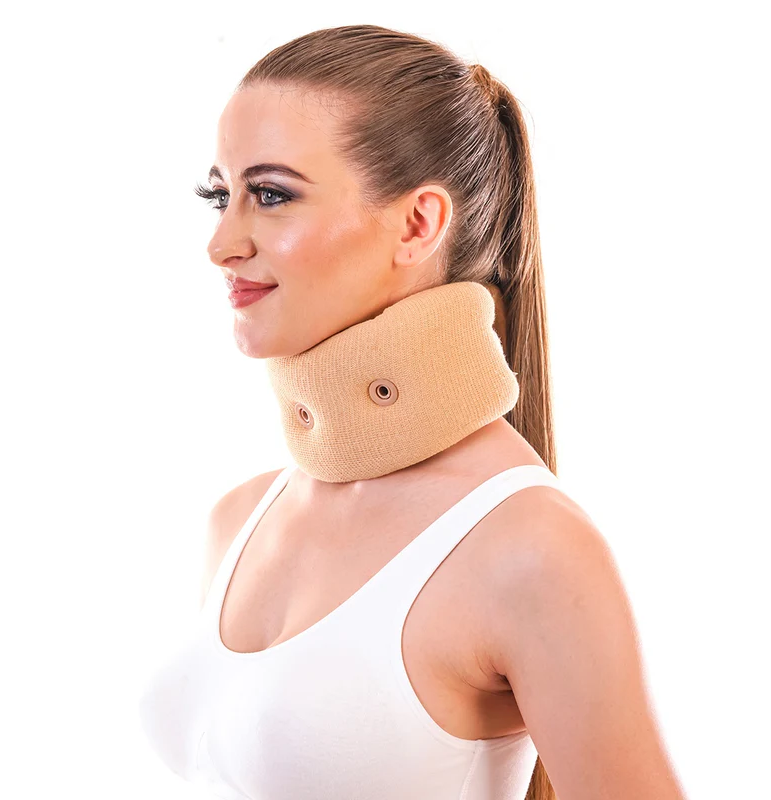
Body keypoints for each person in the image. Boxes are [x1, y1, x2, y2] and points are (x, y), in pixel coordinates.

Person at [138, 24, 687, 800]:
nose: (221, 243)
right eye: (219, 195)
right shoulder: (239, 519)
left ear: (419, 224)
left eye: (271, 195)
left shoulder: (530, 548)